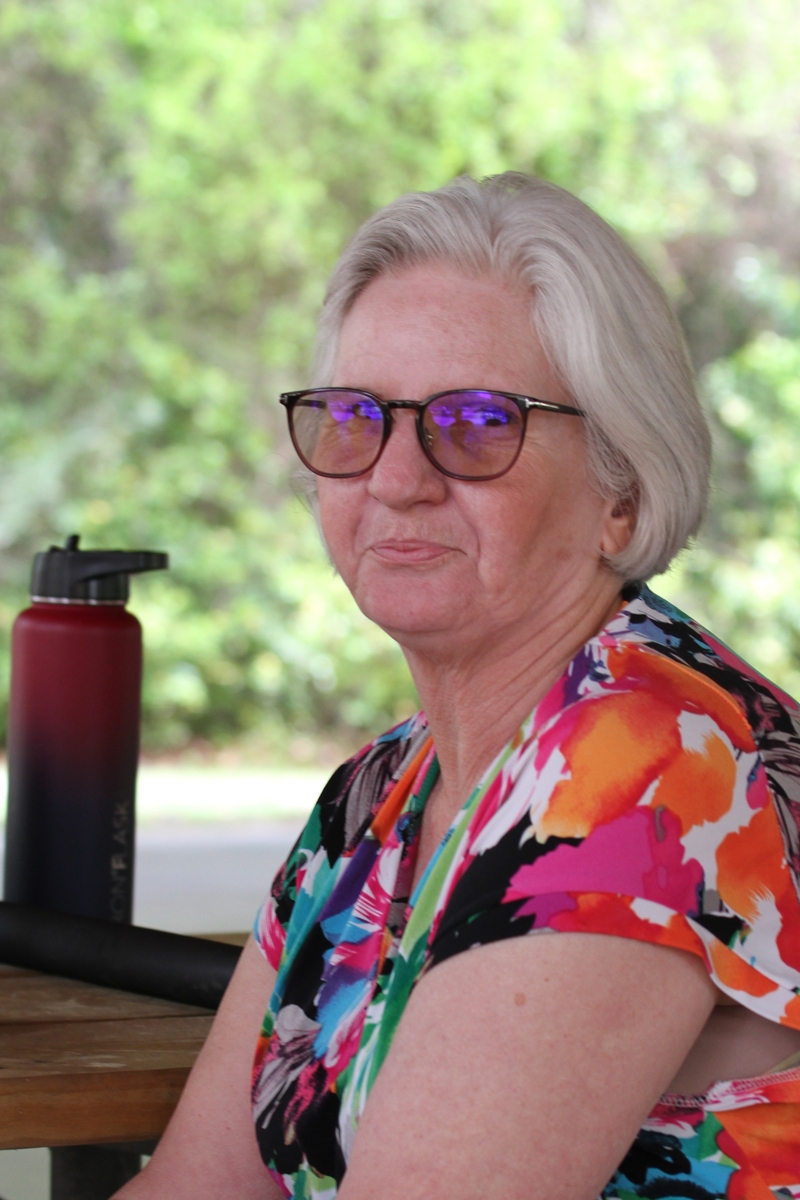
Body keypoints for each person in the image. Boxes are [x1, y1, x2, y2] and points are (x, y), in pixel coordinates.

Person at [117, 174, 800, 1200]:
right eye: (355, 418)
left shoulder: (651, 767)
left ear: (620, 490)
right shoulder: (379, 792)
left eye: (477, 422)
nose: (396, 479)